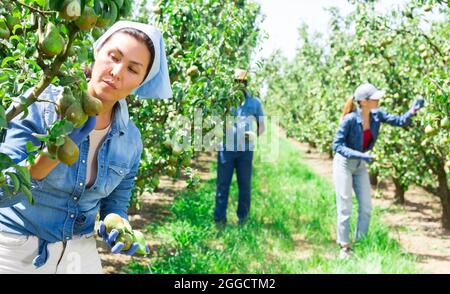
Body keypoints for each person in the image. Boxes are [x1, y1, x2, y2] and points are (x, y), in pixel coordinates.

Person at [0, 21, 172, 273]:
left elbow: (116, 204)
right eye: (113, 57)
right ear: (97, 51)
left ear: (141, 83)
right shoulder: (42, 105)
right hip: (16, 251)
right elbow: (2, 192)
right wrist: (52, 152)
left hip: (80, 255)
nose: (117, 72)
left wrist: (118, 226)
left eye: (133, 70)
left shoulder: (131, 139)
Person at [332, 83, 424, 259]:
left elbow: (400, 121)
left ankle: (361, 244)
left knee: (366, 206)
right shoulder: (350, 119)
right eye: (375, 97)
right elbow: (337, 145)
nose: (379, 99)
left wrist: (413, 111)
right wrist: (360, 154)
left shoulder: (377, 115)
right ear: (364, 101)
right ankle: (344, 247)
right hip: (344, 163)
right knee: (345, 205)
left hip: (360, 164)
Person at [214, 69, 265, 227]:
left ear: (246, 84)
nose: (239, 85)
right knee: (223, 185)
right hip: (226, 149)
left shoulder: (255, 103)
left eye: (242, 82)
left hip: (245, 151)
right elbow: (216, 121)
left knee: (244, 186)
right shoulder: (226, 102)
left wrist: (254, 134)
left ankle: (243, 219)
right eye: (237, 82)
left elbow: (262, 126)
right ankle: (219, 220)